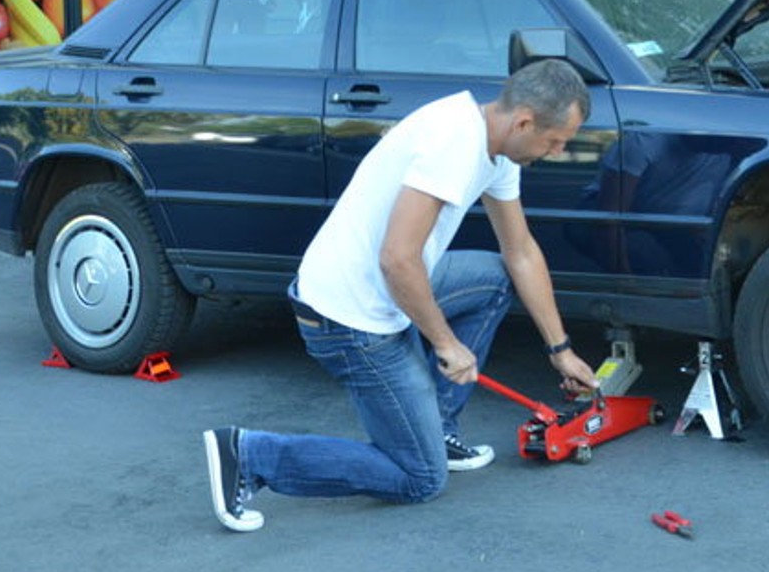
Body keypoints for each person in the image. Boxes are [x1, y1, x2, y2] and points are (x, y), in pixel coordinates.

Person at [202, 59, 601, 533]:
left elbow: (521, 252)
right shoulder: (453, 143)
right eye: (555, 141)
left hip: (388, 287)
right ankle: (250, 455)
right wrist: (446, 343)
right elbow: (397, 257)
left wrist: (561, 350)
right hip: (350, 319)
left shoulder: (497, 147)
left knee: (494, 278)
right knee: (419, 477)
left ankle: (436, 428)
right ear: (524, 122)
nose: (557, 152)